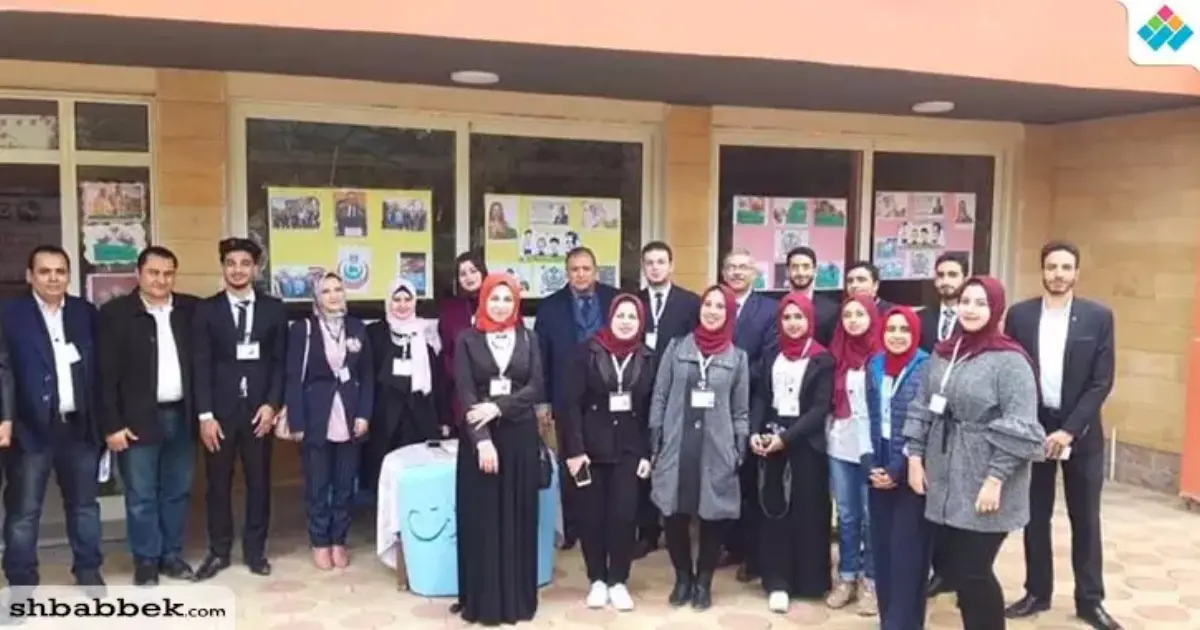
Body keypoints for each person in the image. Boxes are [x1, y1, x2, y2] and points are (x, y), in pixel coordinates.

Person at [904, 277, 1046, 630]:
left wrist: (995, 480)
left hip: (986, 476)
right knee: (955, 569)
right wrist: (915, 457)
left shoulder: (1011, 361)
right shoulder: (943, 353)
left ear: (995, 309)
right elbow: (922, 406)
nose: (970, 309)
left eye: (981, 303)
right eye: (965, 301)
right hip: (945, 473)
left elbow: (1021, 426)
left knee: (974, 571)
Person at [1003, 242, 1119, 630]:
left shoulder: (1098, 317)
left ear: (1077, 273)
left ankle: (1090, 600)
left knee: (1085, 518)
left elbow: (1102, 381)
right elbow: (1011, 371)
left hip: (1080, 433)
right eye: (1052, 267)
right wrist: (1028, 427)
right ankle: (1037, 592)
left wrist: (1069, 430)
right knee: (1035, 516)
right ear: (1042, 271)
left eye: (1066, 267)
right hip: (1034, 429)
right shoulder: (1020, 315)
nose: (1058, 274)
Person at [0, 246, 103, 591]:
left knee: (84, 507)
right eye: (45, 271)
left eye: (60, 271)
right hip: (30, 430)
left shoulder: (84, 312)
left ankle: (88, 571)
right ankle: (21, 583)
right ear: (30, 276)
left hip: (78, 428)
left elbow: (100, 370)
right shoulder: (9, 314)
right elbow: (3, 369)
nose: (53, 278)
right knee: (24, 513)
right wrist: (5, 418)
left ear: (69, 276)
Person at [98, 246, 199, 586]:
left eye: (168, 273)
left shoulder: (189, 310)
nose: (161, 280)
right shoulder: (116, 314)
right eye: (154, 272)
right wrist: (112, 424)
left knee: (177, 491)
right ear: (138, 274)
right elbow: (105, 376)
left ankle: (170, 555)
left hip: (182, 416)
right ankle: (146, 560)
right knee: (141, 494)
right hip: (136, 421)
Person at [191, 237, 287, 580]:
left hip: (259, 412)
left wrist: (272, 405)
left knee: (259, 483)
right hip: (219, 413)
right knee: (217, 484)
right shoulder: (207, 310)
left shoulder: (274, 309)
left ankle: (255, 551)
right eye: (231, 263)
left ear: (255, 268)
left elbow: (280, 362)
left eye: (245, 263)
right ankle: (219, 551)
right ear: (223, 267)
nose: (237, 270)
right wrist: (205, 415)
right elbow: (200, 364)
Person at [649, 285, 750, 611]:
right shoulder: (676, 348)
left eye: (720, 307)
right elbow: (660, 396)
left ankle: (704, 581)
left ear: (728, 314)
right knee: (673, 514)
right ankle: (683, 578)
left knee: (713, 517)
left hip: (717, 449)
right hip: (676, 446)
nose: (712, 311)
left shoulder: (737, 358)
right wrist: (656, 440)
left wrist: (738, 450)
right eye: (708, 304)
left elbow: (741, 411)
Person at [452, 274, 544, 626]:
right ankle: (484, 602)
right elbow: (465, 393)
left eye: (508, 299)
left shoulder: (529, 337)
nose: (501, 306)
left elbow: (536, 386)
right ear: (483, 300)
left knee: (518, 518)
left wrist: (498, 407)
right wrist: (483, 441)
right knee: (484, 521)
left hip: (520, 439)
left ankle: (517, 600)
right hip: (481, 441)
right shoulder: (467, 339)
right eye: (494, 298)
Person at [559, 294, 654, 612]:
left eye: (632, 317)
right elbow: (571, 405)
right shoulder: (587, 351)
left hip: (630, 451)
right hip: (590, 451)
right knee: (591, 518)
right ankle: (597, 579)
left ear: (640, 322)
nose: (626, 322)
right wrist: (575, 449)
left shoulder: (648, 357)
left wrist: (648, 453)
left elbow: (651, 410)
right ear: (610, 318)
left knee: (624, 517)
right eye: (620, 315)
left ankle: (618, 580)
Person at [280, 273, 373, 570]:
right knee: (317, 485)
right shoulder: (303, 329)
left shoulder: (357, 328)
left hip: (349, 415)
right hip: (315, 416)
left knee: (345, 485)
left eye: (338, 289)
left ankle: (338, 540)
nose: (333, 296)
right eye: (326, 291)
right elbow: (293, 377)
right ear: (317, 298)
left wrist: (364, 414)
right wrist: (296, 420)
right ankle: (319, 540)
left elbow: (367, 376)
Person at [751, 293, 834, 613]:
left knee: (807, 512)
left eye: (799, 317)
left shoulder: (822, 358)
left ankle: (809, 581)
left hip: (806, 445)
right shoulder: (772, 353)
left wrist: (787, 438)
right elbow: (762, 396)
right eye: (787, 317)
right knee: (776, 512)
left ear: (809, 320)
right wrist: (756, 431)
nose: (793, 323)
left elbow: (819, 408)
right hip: (772, 439)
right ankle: (778, 582)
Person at [534, 247, 618, 549]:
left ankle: (605, 525)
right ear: (566, 272)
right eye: (574, 269)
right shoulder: (549, 308)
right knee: (570, 459)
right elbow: (540, 358)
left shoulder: (614, 300)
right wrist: (542, 401)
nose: (581, 274)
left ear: (595, 270)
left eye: (586, 269)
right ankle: (571, 526)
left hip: (608, 397)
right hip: (565, 395)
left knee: (605, 460)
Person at [865, 306, 933, 630]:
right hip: (879, 464)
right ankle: (888, 618)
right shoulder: (875, 365)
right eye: (891, 328)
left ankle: (904, 622)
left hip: (912, 467)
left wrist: (897, 468)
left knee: (907, 552)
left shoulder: (926, 367)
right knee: (882, 549)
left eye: (904, 329)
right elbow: (867, 415)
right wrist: (871, 464)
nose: (896, 335)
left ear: (915, 333)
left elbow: (926, 422)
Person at [635, 241, 700, 556]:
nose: (655, 268)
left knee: (672, 454)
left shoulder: (690, 302)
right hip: (638, 389)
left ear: (671, 265)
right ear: (643, 267)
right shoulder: (633, 301)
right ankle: (647, 531)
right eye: (649, 262)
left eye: (661, 262)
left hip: (676, 389)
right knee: (642, 456)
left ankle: (678, 522)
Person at [719, 248, 776, 582]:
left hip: (754, 402)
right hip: (715, 404)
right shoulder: (713, 303)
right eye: (731, 267)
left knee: (750, 479)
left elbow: (769, 358)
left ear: (754, 273)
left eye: (743, 267)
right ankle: (730, 544)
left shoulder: (769, 309)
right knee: (723, 474)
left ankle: (753, 555)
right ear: (723, 272)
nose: (737, 272)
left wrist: (733, 373)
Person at [824, 294, 881, 615]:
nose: (854, 320)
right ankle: (846, 576)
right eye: (848, 315)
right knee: (846, 515)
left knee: (871, 516)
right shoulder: (835, 353)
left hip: (872, 448)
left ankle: (870, 581)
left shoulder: (883, 355)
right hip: (841, 443)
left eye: (860, 314)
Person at [916, 251, 969, 598]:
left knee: (959, 496)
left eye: (953, 274)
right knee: (932, 496)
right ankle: (938, 569)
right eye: (942, 275)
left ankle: (960, 571)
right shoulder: (923, 319)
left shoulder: (974, 318)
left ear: (964, 278)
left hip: (963, 422)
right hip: (929, 418)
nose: (947, 281)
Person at [363, 279, 446, 496]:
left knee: (419, 472)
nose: (402, 305)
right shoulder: (375, 333)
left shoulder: (426, 333)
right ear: (388, 302)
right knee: (385, 474)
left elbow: (438, 379)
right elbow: (367, 374)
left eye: (407, 299)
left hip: (419, 415)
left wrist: (443, 418)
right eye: (396, 299)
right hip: (384, 416)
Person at [437, 250, 487, 435]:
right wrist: (460, 373)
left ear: (483, 272)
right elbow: (446, 352)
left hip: (495, 393)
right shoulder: (451, 309)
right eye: (463, 273)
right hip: (462, 394)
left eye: (473, 271)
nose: (469, 277)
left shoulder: (498, 302)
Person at [782, 246, 839, 346]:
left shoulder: (832, 310)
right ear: (787, 271)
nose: (800, 273)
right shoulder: (776, 307)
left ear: (815, 270)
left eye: (806, 267)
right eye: (795, 267)